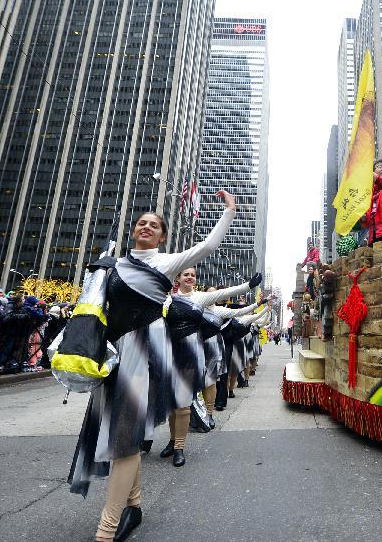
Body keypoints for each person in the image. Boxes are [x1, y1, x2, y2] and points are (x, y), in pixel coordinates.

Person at [68, 191, 235, 542]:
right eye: (142, 222)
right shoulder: (111, 265)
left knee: (125, 437)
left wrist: (229, 213)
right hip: (113, 357)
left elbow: (205, 248)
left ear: (162, 238)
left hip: (144, 355)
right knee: (118, 431)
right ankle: (135, 505)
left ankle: (106, 530)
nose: (147, 226)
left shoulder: (164, 262)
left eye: (155, 225)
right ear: (134, 231)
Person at [158, 271, 262, 466]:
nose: (190, 277)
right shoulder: (167, 300)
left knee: (183, 402)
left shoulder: (200, 298)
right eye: (186, 274)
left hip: (191, 353)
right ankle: (172, 441)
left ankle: (180, 447)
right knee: (171, 403)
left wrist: (249, 286)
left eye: (193, 275)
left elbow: (225, 295)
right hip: (170, 352)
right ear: (178, 279)